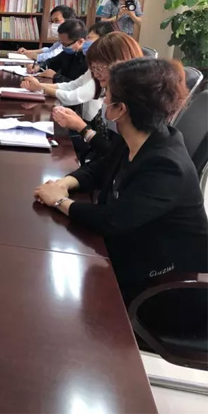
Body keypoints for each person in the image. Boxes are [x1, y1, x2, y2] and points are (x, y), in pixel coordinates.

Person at [33, 58, 207, 303]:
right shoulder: (139, 138)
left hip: (164, 286)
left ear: (120, 109)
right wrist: (64, 184)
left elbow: (112, 220)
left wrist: (59, 201)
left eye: (107, 93)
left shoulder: (166, 166)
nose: (103, 99)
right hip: (132, 250)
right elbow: (98, 169)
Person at [49, 32, 143, 161]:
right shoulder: (109, 89)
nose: (96, 74)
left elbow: (116, 155)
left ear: (121, 64)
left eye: (100, 68)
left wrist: (80, 126)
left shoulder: (132, 103)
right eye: (93, 68)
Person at [20, 22, 116, 121]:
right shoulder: (93, 66)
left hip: (92, 120)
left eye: (89, 38)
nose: (85, 41)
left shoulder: (105, 71)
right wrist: (39, 84)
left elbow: (74, 96)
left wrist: (41, 88)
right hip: (83, 115)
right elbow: (72, 85)